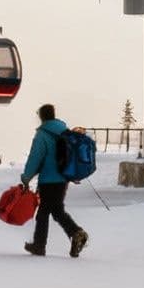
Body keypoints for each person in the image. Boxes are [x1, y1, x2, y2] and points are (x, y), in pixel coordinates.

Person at [20, 103, 89, 258]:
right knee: (56, 211)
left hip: (48, 180)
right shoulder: (64, 130)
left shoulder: (43, 134)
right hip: (63, 178)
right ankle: (75, 234)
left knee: (44, 212)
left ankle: (41, 245)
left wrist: (26, 177)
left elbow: (35, 158)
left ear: (41, 117)